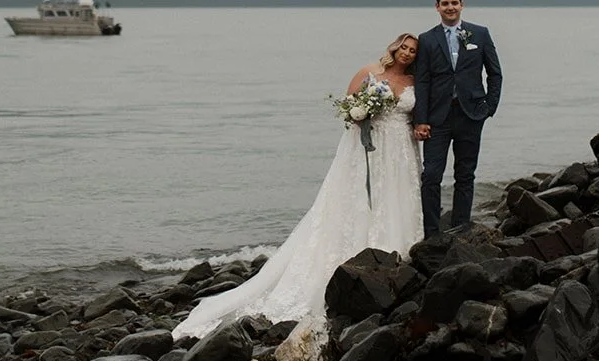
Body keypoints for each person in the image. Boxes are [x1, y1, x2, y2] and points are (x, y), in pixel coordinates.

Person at [172, 33, 422, 342]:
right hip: (369, 148)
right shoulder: (370, 72)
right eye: (404, 48)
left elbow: (419, 116)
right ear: (394, 47)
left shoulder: (415, 80)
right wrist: (362, 113)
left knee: (394, 197)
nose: (408, 53)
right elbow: (348, 107)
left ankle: (398, 251)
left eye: (413, 50)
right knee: (356, 200)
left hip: (400, 150)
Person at [412, 0, 503, 238]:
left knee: (465, 174)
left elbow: (495, 73)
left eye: (454, 3)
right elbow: (423, 81)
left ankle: (461, 230)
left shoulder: (480, 34)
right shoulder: (427, 39)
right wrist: (420, 119)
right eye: (445, 3)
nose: (450, 7)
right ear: (437, 7)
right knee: (431, 175)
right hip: (437, 118)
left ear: (461, 5)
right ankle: (431, 234)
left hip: (471, 115)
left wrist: (489, 107)